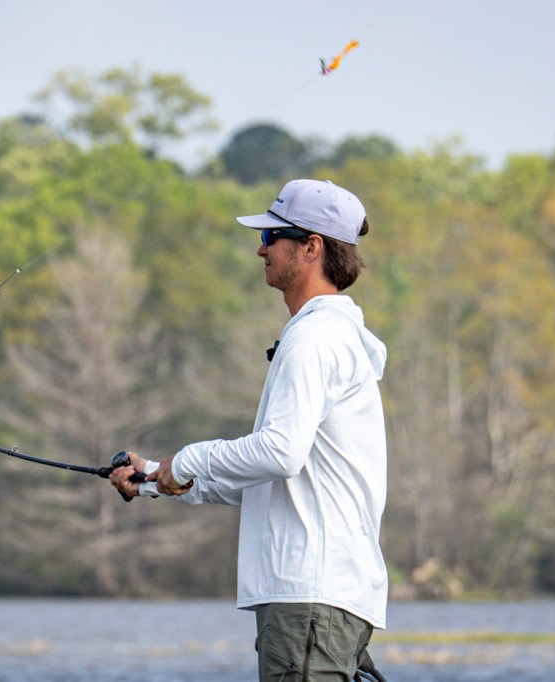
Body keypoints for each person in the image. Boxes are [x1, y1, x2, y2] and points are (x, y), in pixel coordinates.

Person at [111, 179, 389, 681]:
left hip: (310, 598)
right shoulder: (329, 335)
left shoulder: (314, 339)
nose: (261, 249)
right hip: (318, 597)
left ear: (312, 247)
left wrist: (188, 460)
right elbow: (277, 477)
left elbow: (279, 453)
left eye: (271, 236)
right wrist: (155, 476)